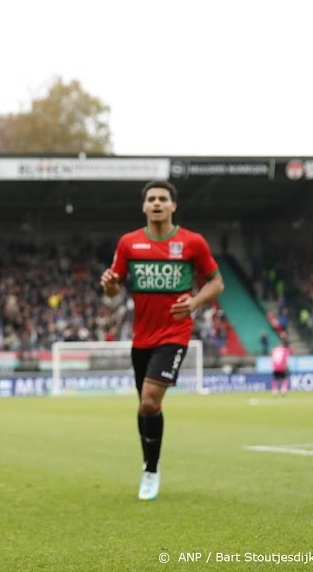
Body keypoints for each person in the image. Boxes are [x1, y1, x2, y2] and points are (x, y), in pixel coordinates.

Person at [100, 180, 224, 501]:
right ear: (144, 207)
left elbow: (217, 283)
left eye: (163, 199)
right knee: (146, 407)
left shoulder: (192, 242)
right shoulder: (129, 243)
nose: (157, 203)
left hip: (174, 333)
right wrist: (110, 285)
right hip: (141, 337)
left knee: (150, 400)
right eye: (151, 199)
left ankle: (151, 473)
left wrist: (195, 302)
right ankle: (149, 463)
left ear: (173, 206)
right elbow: (114, 293)